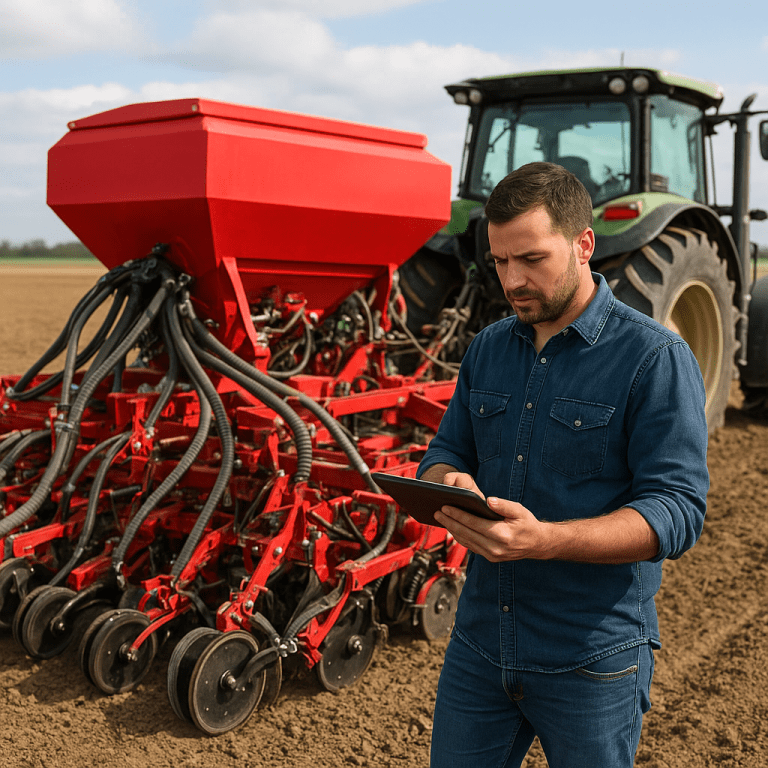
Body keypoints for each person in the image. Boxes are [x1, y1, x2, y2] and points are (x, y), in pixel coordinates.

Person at [418, 161, 709, 767]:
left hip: (591, 660)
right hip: (480, 644)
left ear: (584, 245)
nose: (512, 280)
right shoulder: (489, 347)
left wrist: (545, 541)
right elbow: (446, 452)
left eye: (531, 259)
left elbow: (677, 511)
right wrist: (447, 482)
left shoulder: (654, 358)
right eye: (499, 262)